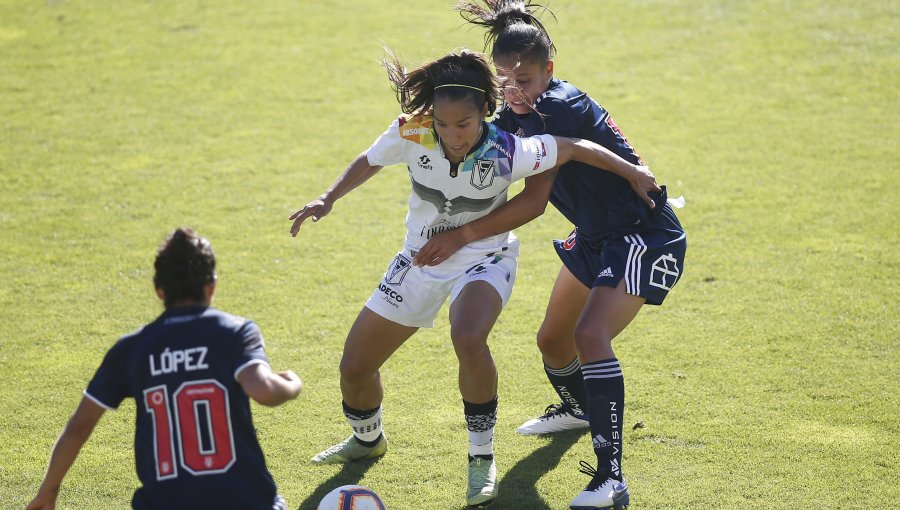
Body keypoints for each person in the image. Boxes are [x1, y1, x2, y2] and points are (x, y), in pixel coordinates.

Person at [288, 48, 659, 508]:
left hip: (487, 256)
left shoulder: (505, 147)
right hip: (419, 258)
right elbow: (370, 159)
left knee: (467, 335)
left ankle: (481, 456)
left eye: (462, 125)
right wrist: (328, 198)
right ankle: (367, 440)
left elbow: (573, 148)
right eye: (443, 125)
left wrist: (632, 170)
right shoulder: (413, 130)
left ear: (485, 112)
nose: (451, 135)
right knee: (355, 368)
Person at [411, 2, 688, 508]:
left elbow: (537, 201)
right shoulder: (510, 112)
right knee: (554, 341)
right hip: (595, 235)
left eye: (527, 78)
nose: (516, 89)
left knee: (590, 334)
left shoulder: (556, 107)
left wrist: (462, 234)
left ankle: (612, 477)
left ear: (549, 72)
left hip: (640, 234)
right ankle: (584, 410)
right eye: (505, 79)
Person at [26, 228, 303, 510]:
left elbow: (79, 426)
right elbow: (264, 391)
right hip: (245, 501)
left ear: (159, 290)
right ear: (212, 285)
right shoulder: (235, 332)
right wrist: (292, 382)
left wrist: (48, 492)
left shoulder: (132, 348)